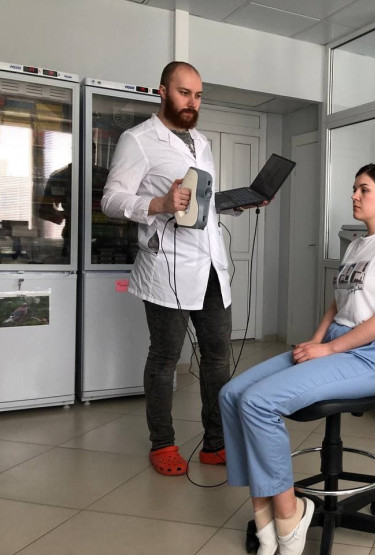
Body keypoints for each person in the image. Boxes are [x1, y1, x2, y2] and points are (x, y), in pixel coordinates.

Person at [219, 163, 375, 555]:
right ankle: (264, 516)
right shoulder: (357, 245)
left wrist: (327, 350)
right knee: (231, 395)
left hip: (370, 356)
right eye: (354, 188)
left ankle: (290, 515)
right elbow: (338, 304)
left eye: (363, 189)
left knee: (258, 402)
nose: (354, 196)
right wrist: (314, 341)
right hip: (335, 341)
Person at [101, 61, 253, 476]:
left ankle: (215, 443)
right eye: (184, 93)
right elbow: (111, 199)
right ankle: (162, 443)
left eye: (198, 95)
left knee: (217, 358)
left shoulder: (201, 142)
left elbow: (201, 200)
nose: (192, 102)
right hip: (166, 266)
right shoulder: (138, 140)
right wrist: (160, 204)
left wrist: (233, 204)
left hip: (211, 267)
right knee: (165, 358)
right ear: (163, 92)